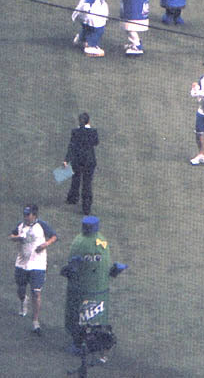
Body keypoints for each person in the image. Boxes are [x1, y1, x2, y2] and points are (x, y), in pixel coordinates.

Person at [61, 216, 127, 358]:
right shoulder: (98, 242)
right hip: (92, 290)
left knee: (83, 318)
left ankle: (85, 343)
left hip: (88, 290)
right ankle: (91, 345)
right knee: (90, 319)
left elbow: (69, 270)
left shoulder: (80, 242)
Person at [9, 204, 57, 334]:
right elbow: (11, 236)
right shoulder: (21, 225)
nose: (25, 217)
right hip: (22, 263)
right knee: (20, 288)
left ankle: (35, 322)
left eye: (28, 215)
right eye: (24, 214)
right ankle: (23, 300)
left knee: (36, 292)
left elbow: (54, 236)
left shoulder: (42, 225)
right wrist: (17, 238)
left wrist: (45, 244)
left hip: (38, 264)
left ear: (34, 215)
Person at [64, 112, 99, 215]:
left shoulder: (75, 132)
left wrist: (66, 160)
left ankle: (73, 198)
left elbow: (71, 147)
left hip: (77, 160)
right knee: (87, 184)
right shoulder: (93, 132)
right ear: (89, 121)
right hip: (89, 161)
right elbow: (96, 142)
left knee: (75, 180)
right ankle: (86, 207)